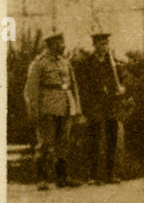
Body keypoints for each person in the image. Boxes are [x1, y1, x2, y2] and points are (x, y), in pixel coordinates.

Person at [24, 30, 81, 190]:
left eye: (62, 42)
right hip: (47, 108)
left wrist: (77, 108)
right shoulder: (39, 63)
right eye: (59, 42)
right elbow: (31, 90)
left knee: (63, 142)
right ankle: (41, 179)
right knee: (45, 143)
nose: (62, 45)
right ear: (50, 44)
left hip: (65, 106)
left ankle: (62, 177)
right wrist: (34, 111)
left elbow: (73, 86)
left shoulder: (65, 62)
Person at [76, 31, 127, 184]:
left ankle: (110, 174)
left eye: (106, 44)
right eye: (100, 44)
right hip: (95, 105)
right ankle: (93, 176)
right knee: (94, 139)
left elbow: (121, 81)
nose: (104, 47)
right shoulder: (87, 63)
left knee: (112, 138)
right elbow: (83, 88)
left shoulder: (112, 62)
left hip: (111, 104)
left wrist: (122, 88)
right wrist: (86, 108)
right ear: (94, 45)